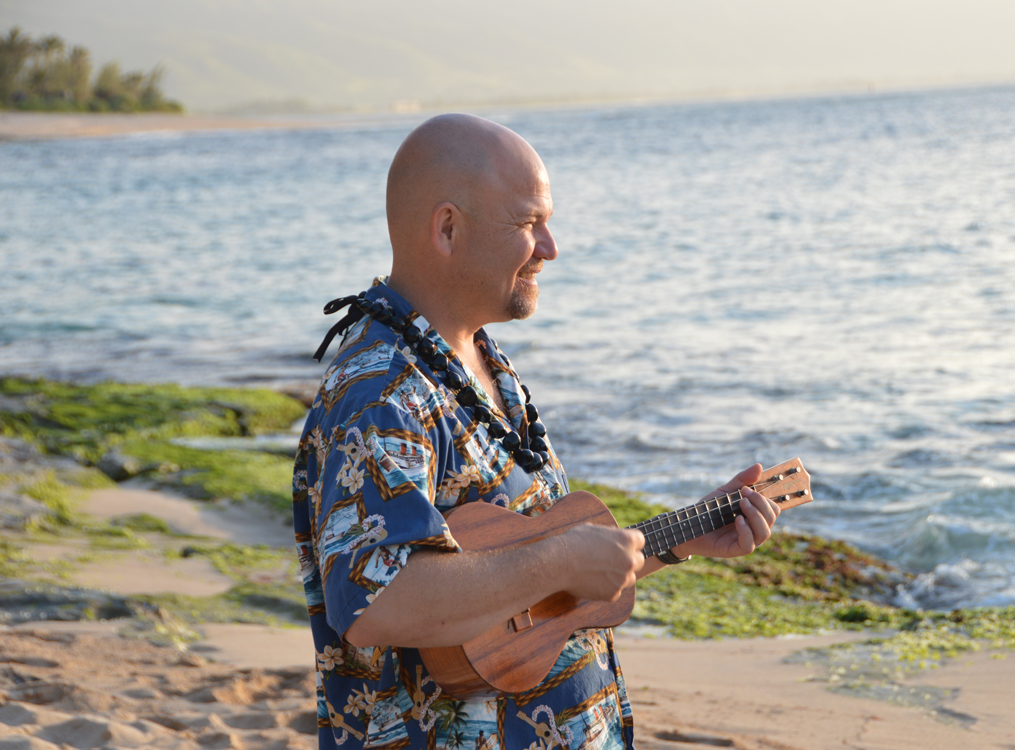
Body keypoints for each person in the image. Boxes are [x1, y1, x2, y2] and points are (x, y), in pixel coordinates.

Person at [293, 113, 780, 750]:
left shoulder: (478, 361)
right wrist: (562, 557)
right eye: (529, 223)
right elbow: (374, 600)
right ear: (447, 229)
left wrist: (683, 541)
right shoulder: (380, 394)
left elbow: (528, 589)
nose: (550, 248)